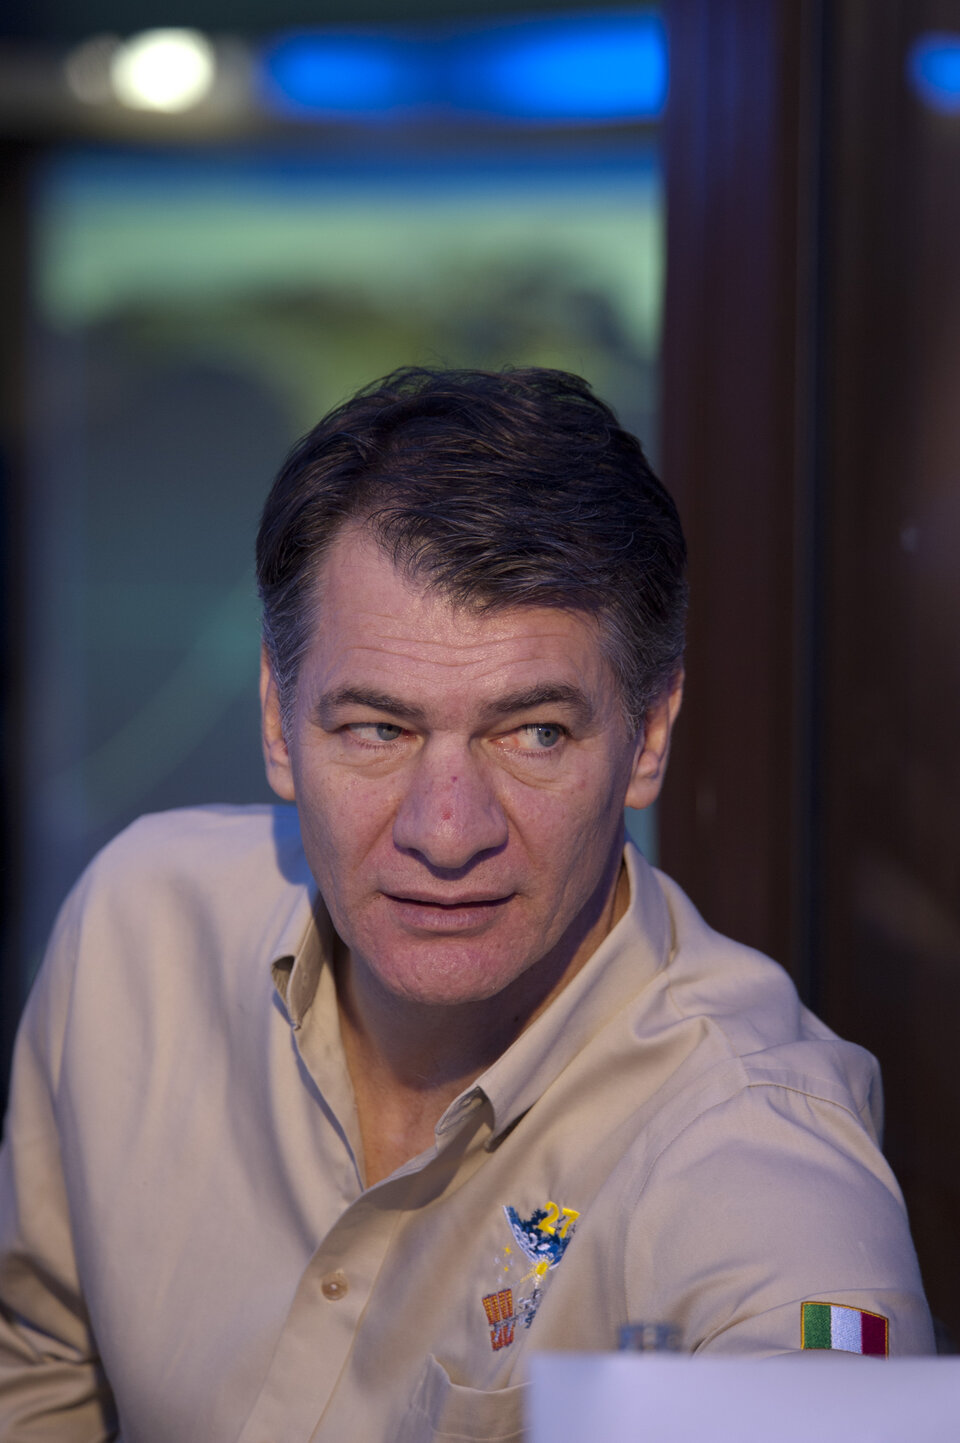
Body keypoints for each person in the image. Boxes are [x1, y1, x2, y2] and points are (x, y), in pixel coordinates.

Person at [0, 367, 933, 1441]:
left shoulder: (752, 1152)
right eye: (377, 729)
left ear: (650, 736)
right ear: (275, 722)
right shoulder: (139, 930)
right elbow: (37, 1371)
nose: (447, 833)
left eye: (534, 732)